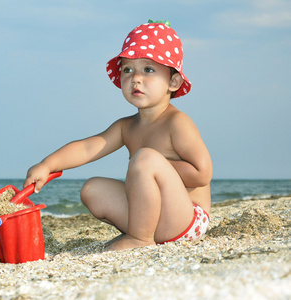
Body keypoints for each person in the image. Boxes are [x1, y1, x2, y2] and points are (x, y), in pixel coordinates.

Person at [23, 20, 213, 251]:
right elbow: (87, 148)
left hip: (184, 218)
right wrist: (47, 164)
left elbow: (202, 174)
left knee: (144, 158)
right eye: (127, 69)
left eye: (148, 69)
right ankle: (143, 232)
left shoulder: (177, 122)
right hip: (155, 220)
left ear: (173, 81)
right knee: (92, 189)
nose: (136, 78)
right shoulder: (126, 127)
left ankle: (139, 238)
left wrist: (154, 165)